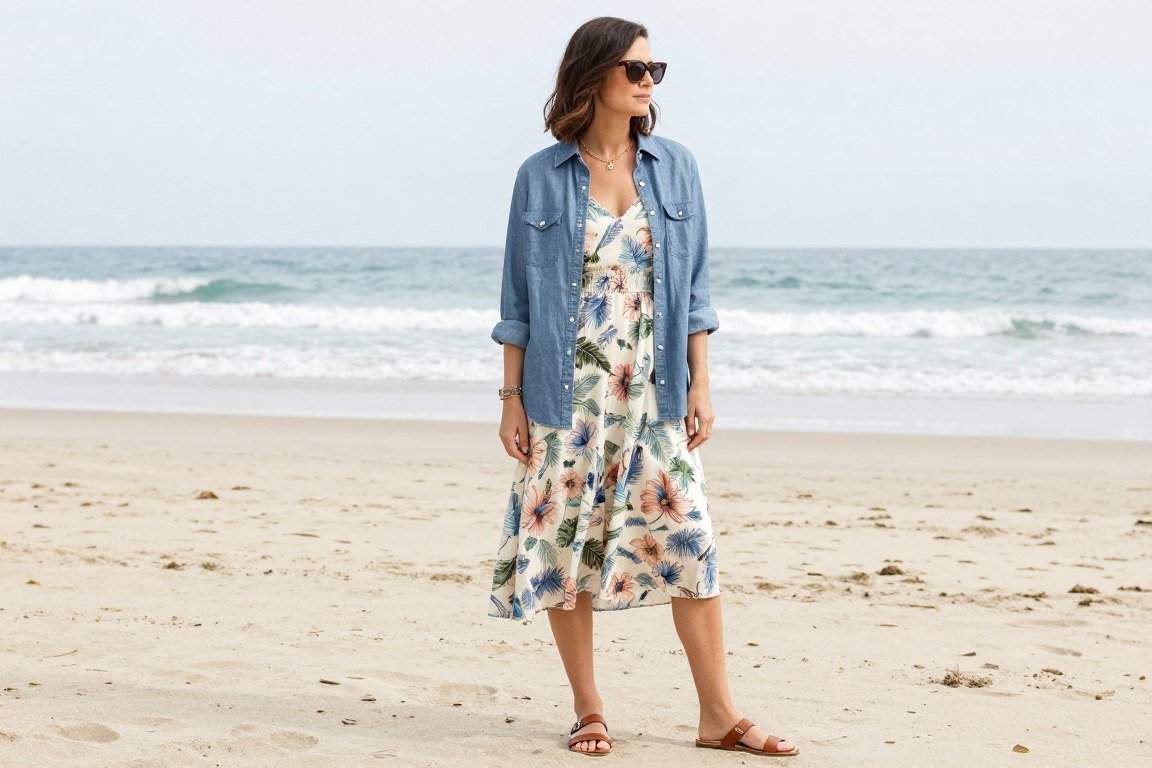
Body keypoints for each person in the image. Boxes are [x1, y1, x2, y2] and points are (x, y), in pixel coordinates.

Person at [486, 16, 798, 759]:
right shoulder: (540, 175)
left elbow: (696, 291)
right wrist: (511, 399)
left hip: (653, 391)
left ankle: (718, 714)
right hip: (567, 395)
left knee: (690, 539)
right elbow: (516, 302)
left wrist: (701, 386)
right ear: (594, 75)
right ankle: (589, 709)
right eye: (635, 68)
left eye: (655, 69)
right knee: (569, 549)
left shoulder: (676, 166)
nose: (648, 81)